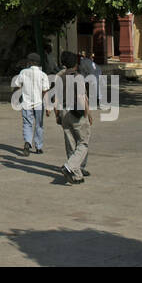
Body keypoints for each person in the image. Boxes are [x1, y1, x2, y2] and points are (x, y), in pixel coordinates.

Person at [51, 50, 93, 184]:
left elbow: (56, 100)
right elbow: (82, 97)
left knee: (70, 144)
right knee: (83, 143)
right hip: (76, 113)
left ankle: (76, 175)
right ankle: (69, 166)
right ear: (76, 64)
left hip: (63, 112)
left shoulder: (59, 77)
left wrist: (57, 115)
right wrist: (87, 113)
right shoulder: (78, 77)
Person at [11, 52, 51, 155]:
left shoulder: (23, 72)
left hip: (26, 103)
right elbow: (45, 91)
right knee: (39, 124)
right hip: (38, 103)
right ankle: (38, 147)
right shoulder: (43, 75)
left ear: (30, 62)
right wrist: (48, 106)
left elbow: (17, 85)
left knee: (27, 124)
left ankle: (28, 142)